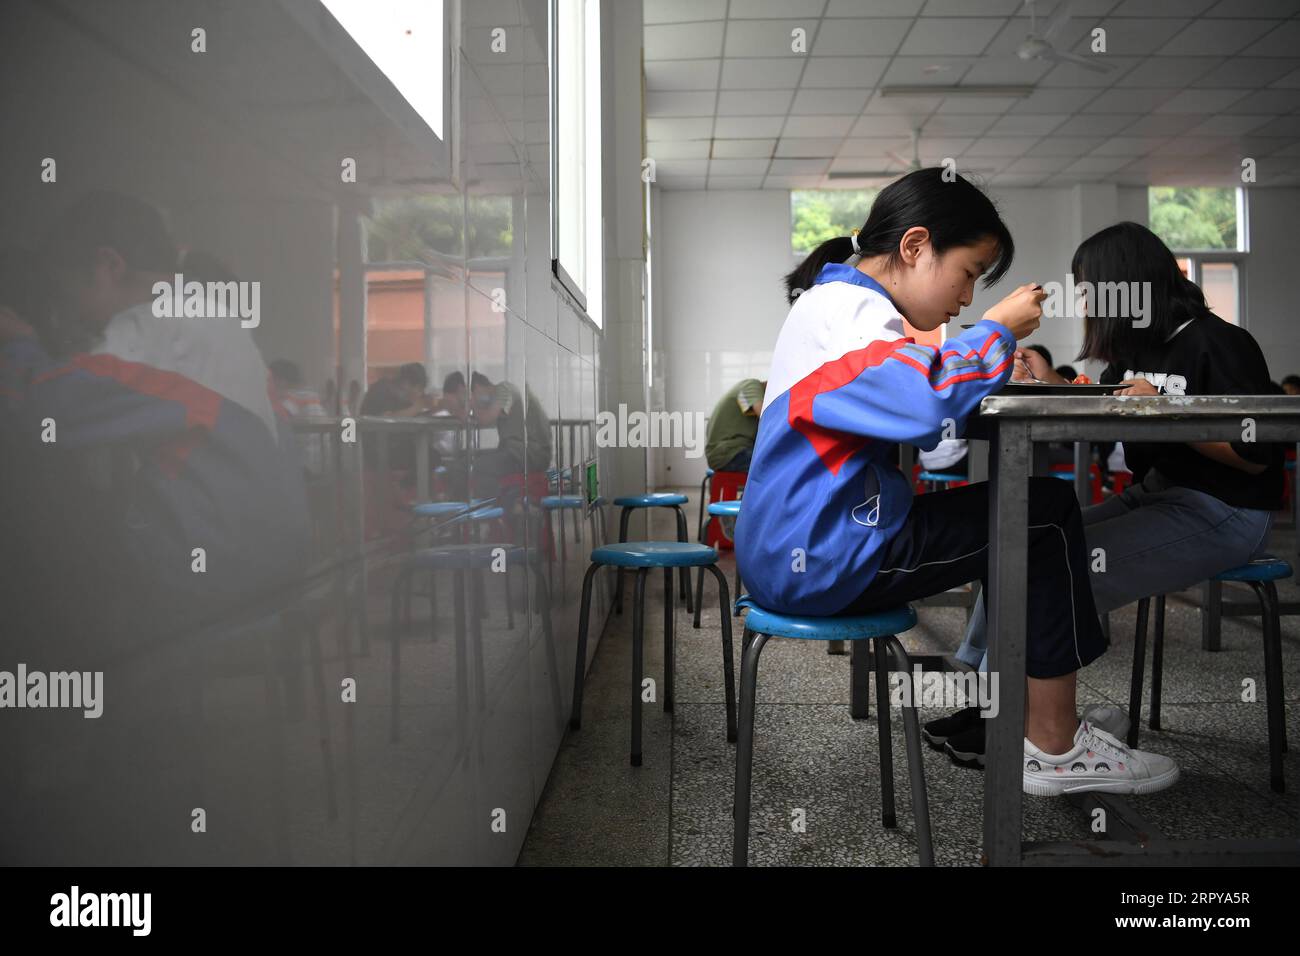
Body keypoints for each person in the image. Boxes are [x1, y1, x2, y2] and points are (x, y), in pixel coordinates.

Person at [733, 168, 1178, 797]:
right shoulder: (848, 310)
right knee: (1044, 515)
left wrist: (983, 366)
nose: (966, 297)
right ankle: (1054, 745)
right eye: (968, 272)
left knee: (1027, 514)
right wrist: (996, 332)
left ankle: (1025, 713)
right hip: (822, 558)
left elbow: (922, 419)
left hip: (795, 551)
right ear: (915, 247)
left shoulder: (836, 307)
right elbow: (924, 404)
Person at [939, 221, 1283, 779]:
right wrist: (1045, 386)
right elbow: (1106, 427)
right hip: (1155, 496)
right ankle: (993, 705)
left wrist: (1167, 411)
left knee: (1054, 575)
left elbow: (1257, 457)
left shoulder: (1218, 341)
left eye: (1090, 289)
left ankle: (1037, 731)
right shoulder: (1138, 351)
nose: (1085, 302)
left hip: (1225, 509)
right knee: (1017, 543)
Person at [0, 191, 309, 642]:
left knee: (55, 578)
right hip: (276, 563)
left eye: (70, 291)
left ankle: (83, 705)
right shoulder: (211, 318)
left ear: (108, 266)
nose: (70, 312)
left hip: (219, 572)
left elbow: (45, 410)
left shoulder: (147, 329)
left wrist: (21, 340)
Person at [704, 379, 766, 473]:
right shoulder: (751, 385)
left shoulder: (743, 393)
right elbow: (765, 415)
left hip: (726, 452)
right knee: (779, 466)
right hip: (729, 453)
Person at [361, 362, 431, 417]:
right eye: (419, 389)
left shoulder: (402, 398)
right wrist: (416, 408)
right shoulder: (382, 390)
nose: (420, 394)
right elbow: (385, 420)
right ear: (406, 383)